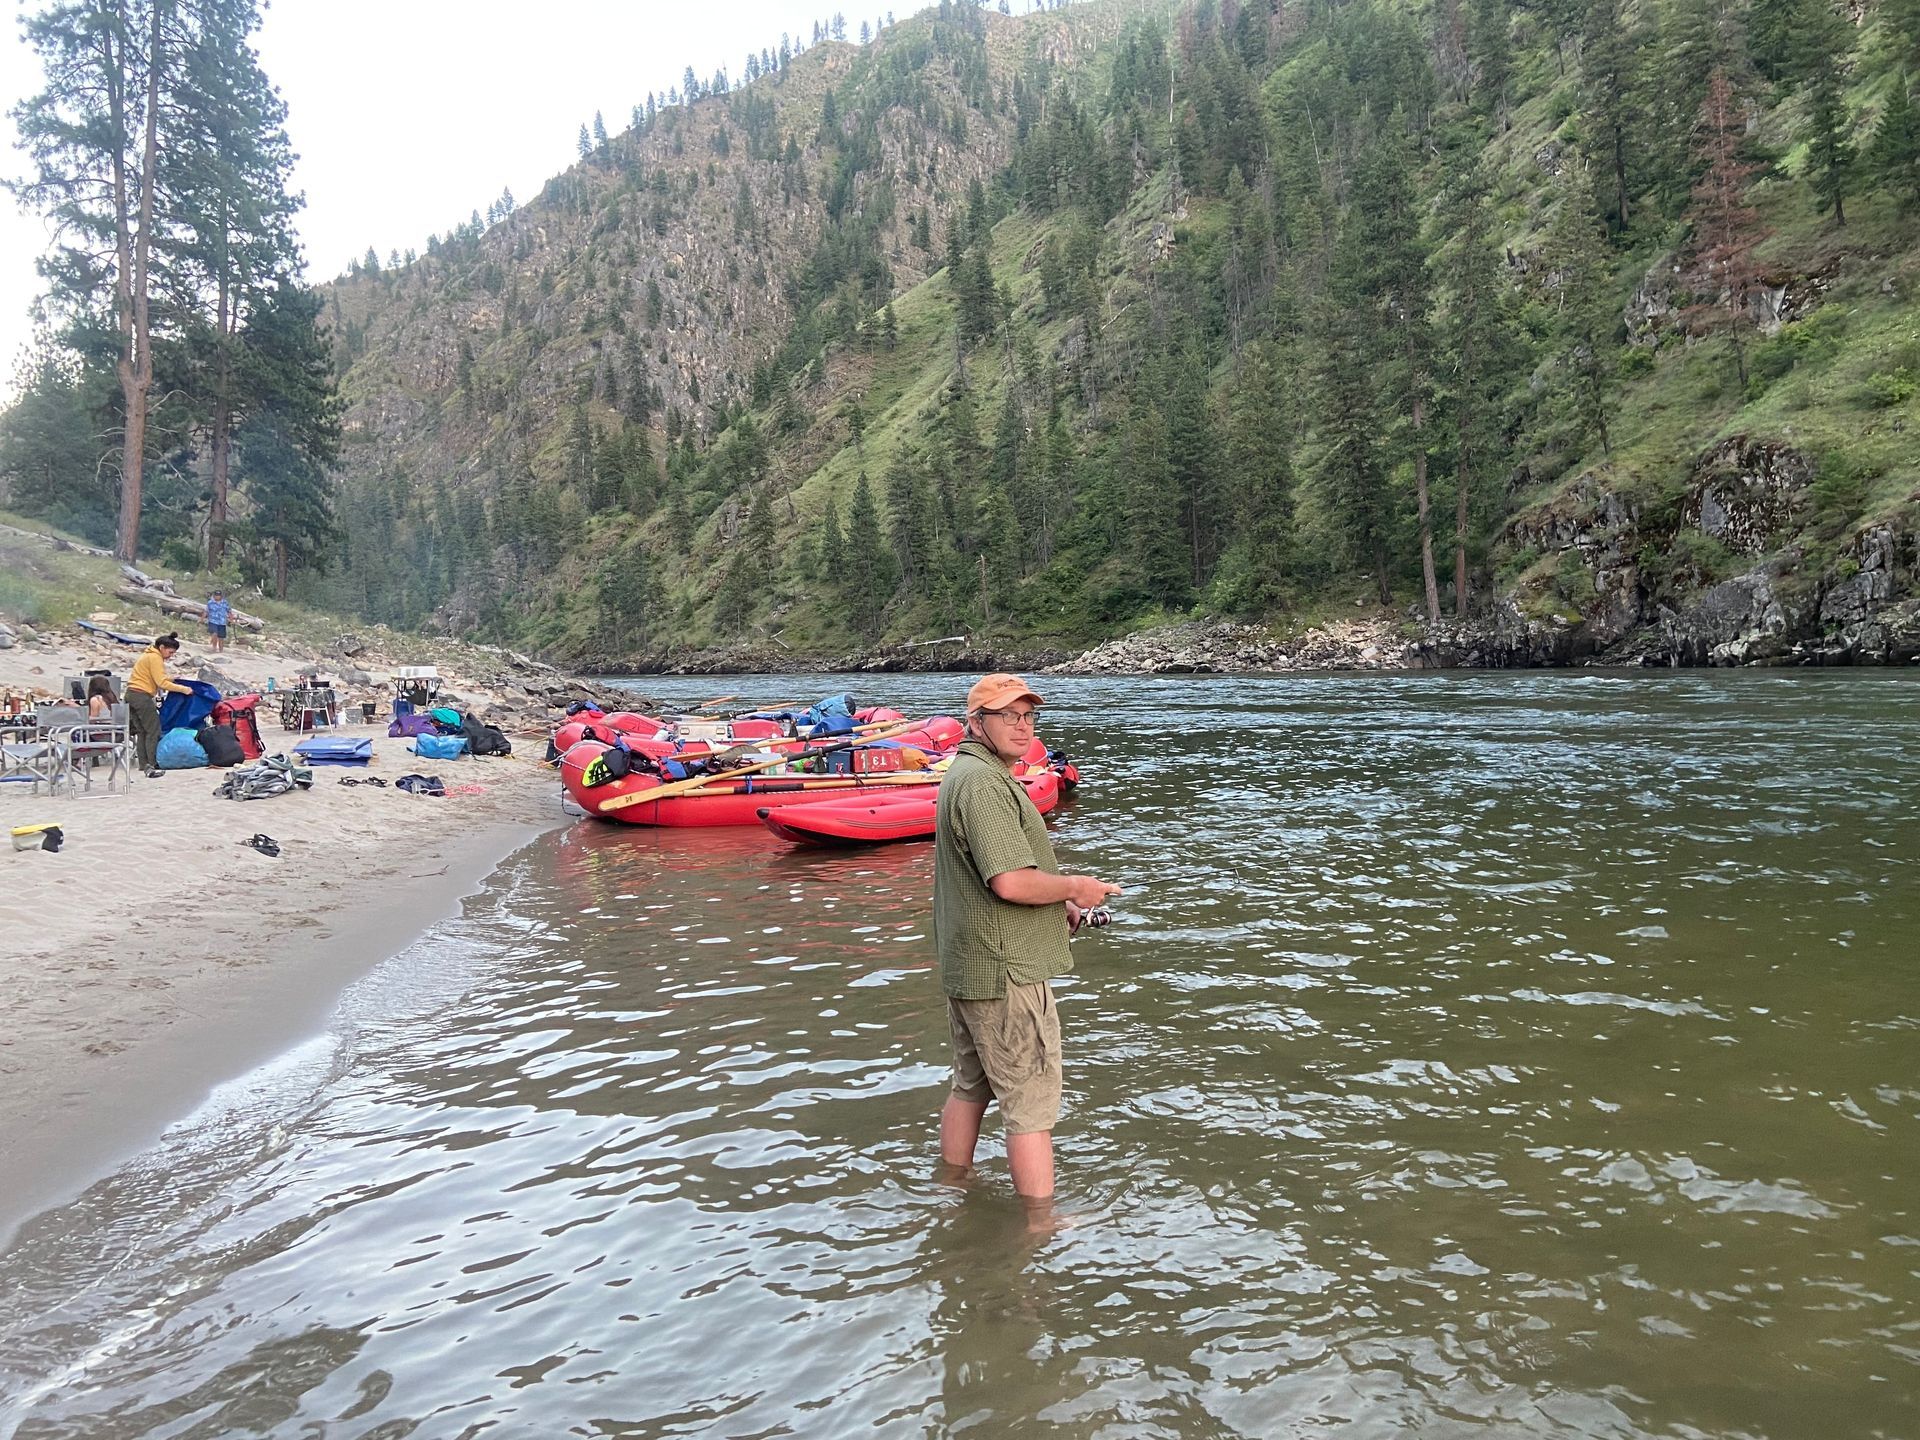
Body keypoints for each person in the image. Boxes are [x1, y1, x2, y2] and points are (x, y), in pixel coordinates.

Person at [932, 672, 1122, 1207]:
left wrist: (1055, 904)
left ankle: (951, 1188)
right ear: (977, 723)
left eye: (1028, 715)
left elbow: (989, 878)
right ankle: (1039, 1233)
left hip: (971, 963)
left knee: (971, 1084)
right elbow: (1010, 882)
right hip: (1005, 970)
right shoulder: (985, 785)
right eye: (1007, 715)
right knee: (1030, 1102)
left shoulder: (969, 774)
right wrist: (1078, 888)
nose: (1022, 725)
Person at [127, 632, 191, 777]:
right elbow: (161, 683)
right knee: (153, 730)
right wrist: (185, 689)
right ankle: (153, 762)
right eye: (170, 652)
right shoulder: (155, 658)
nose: (170, 656)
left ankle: (144, 764)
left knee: (142, 731)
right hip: (141, 696)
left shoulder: (148, 655)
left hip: (131, 694)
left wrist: (171, 679)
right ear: (162, 647)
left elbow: (157, 677)